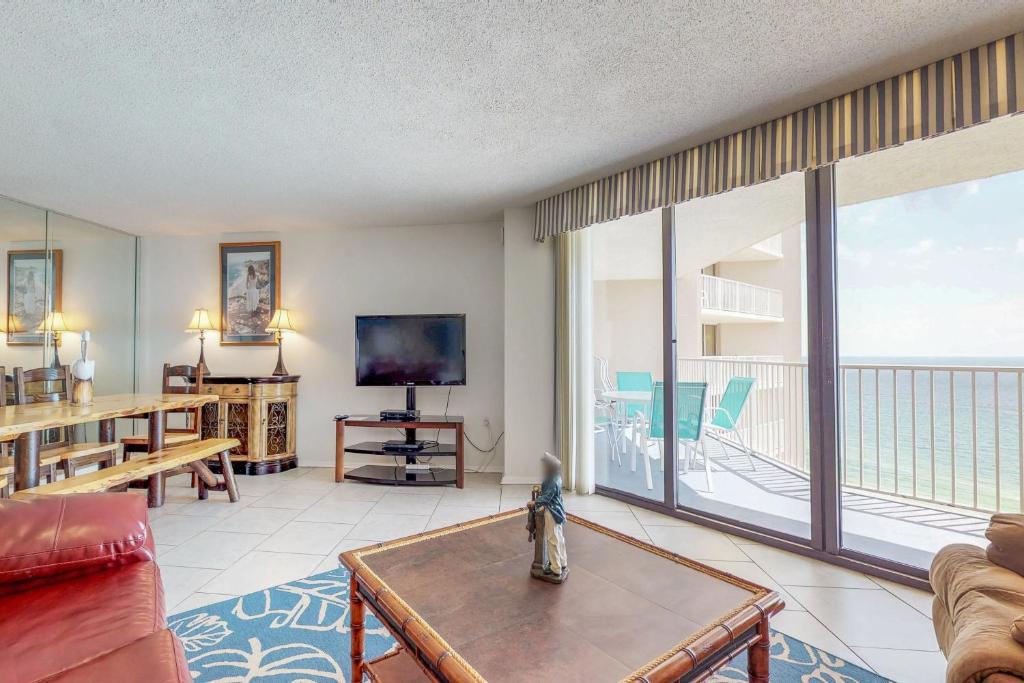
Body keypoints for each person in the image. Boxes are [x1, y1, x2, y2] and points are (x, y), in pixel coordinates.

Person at [527, 451, 568, 581]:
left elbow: (547, 497)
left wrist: (535, 502)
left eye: (545, 465)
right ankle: (562, 562)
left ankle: (555, 569)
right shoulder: (556, 477)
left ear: (550, 467)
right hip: (558, 510)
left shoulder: (552, 481)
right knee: (559, 538)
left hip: (552, 511)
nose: (543, 468)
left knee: (552, 539)